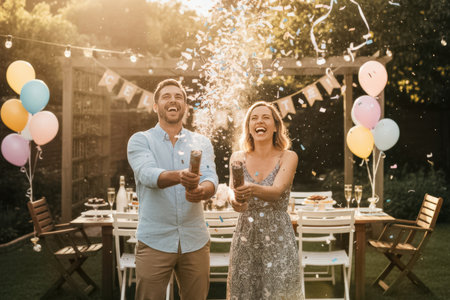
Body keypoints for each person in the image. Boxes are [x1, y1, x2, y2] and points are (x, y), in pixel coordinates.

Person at [127, 79, 218, 300]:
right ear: (155, 106)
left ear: (185, 107)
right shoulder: (141, 140)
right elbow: (148, 175)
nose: (173, 100)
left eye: (179, 97)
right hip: (154, 240)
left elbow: (210, 178)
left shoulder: (201, 142)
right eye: (166, 96)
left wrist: (203, 191)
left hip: (194, 239)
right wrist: (180, 176)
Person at [226, 101, 303, 300]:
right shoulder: (237, 157)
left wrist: (250, 189)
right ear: (249, 128)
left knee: (279, 292)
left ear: (276, 127)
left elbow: (276, 191)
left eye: (266, 117)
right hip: (246, 236)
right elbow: (237, 202)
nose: (259, 121)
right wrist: (236, 201)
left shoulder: (288, 156)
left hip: (278, 237)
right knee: (245, 293)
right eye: (254, 118)